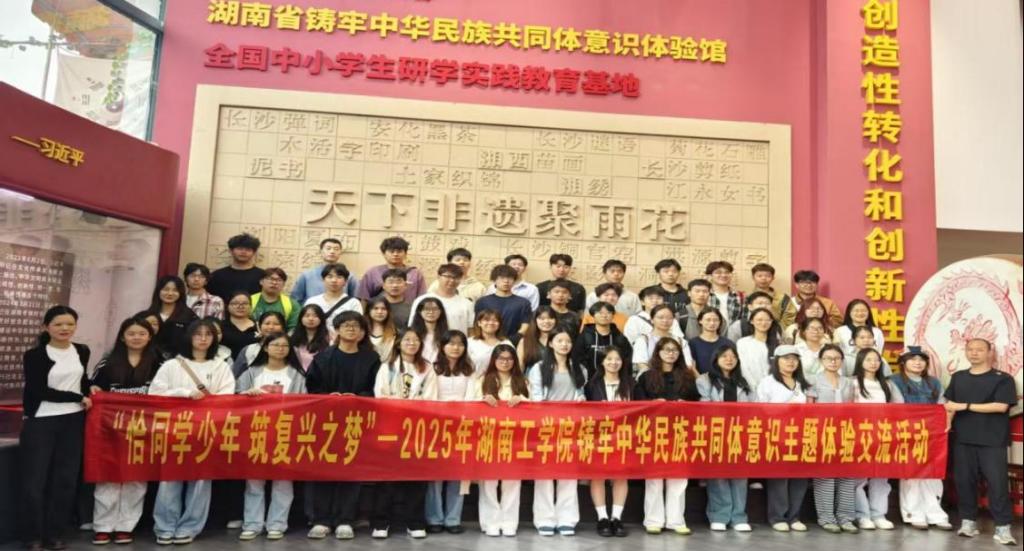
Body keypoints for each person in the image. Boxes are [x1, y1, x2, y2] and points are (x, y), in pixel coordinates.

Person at [150, 319, 235, 545]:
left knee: (200, 481)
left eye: (208, 334)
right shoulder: (172, 365)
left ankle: (190, 527)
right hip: (174, 429)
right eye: (198, 334)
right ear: (189, 337)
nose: (203, 339)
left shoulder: (221, 366)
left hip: (206, 430)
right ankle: (165, 526)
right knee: (170, 479)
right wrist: (184, 393)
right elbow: (155, 393)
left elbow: (227, 396)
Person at [305, 312, 381, 540]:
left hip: (356, 422)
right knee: (323, 469)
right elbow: (312, 388)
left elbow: (376, 389)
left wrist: (358, 398)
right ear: (336, 330)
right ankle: (321, 519)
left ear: (363, 332)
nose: (351, 329)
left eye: (356, 326)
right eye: (346, 325)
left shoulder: (371, 359)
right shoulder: (323, 358)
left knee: (351, 469)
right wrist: (328, 398)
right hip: (326, 422)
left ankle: (345, 519)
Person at [21, 306, 92, 551]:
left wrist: (90, 389)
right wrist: (77, 397)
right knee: (35, 482)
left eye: (70, 324)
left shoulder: (82, 350)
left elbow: (81, 381)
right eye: (58, 324)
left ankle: (54, 534)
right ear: (46, 327)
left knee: (65, 481)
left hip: (74, 420)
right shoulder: (34, 355)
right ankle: (33, 536)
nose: (65, 328)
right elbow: (38, 390)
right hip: (41, 420)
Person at [89, 316, 160, 545]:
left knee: (136, 479)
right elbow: (92, 386)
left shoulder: (159, 363)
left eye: (142, 333)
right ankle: (103, 526)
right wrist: (93, 388)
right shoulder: (107, 363)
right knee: (108, 477)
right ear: (122, 337)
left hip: (144, 430)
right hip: (111, 429)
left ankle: (125, 526)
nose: (136, 337)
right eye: (131, 333)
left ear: (149, 337)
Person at [943, 338, 1018, 545]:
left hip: (992, 440)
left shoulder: (1003, 379)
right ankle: (968, 522)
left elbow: (1000, 406)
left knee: (997, 483)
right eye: (970, 349)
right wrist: (947, 422)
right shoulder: (958, 377)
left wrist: (965, 406)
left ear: (989, 353)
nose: (974, 353)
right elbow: (950, 405)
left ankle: (1003, 527)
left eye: (979, 350)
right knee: (964, 481)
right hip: (963, 438)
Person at [236, 333, 307, 541]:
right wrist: (246, 395)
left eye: (285, 345)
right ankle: (252, 524)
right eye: (275, 345)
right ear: (265, 348)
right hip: (256, 432)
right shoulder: (251, 373)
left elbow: (304, 403)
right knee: (254, 482)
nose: (280, 349)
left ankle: (277, 524)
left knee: (283, 481)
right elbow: (235, 397)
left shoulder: (297, 375)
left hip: (285, 433)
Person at [371, 329, 438, 539]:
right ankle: (381, 522)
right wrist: (401, 405)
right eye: (407, 340)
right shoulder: (388, 367)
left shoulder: (427, 368)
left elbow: (431, 398)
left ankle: (415, 522)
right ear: (399, 344)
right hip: (390, 428)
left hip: (417, 429)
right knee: (387, 477)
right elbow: (380, 395)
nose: (412, 343)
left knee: (416, 477)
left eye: (416, 340)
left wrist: (412, 406)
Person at [634, 337, 699, 535]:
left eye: (674, 350)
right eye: (666, 350)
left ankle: (676, 520)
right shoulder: (647, 377)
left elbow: (697, 402)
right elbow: (638, 403)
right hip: (655, 431)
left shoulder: (687, 376)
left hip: (680, 431)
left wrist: (685, 404)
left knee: (679, 477)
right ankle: (653, 520)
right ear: (658, 352)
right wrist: (654, 404)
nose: (671, 353)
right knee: (654, 477)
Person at [526, 328, 586, 536]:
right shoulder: (538, 368)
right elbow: (535, 397)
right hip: (546, 427)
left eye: (568, 341)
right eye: (559, 340)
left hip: (571, 427)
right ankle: (544, 519)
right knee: (544, 474)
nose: (564, 345)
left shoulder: (579, 368)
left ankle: (567, 519)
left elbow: (581, 394)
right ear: (550, 343)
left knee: (568, 474)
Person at [468, 345, 529, 537]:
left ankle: (509, 522)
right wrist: (482, 401)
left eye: (509, 359)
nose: (505, 362)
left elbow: (536, 407)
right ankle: (490, 522)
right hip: (489, 438)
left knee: (512, 482)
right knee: (489, 483)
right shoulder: (481, 380)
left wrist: (523, 400)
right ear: (493, 360)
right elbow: (468, 406)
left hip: (515, 439)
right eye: (501, 358)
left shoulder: (522, 381)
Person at [889, 347, 952, 531]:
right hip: (907, 432)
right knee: (911, 474)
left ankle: (935, 513)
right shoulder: (894, 381)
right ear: (903, 362)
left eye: (921, 359)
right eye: (912, 359)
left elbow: (942, 406)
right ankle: (913, 513)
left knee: (933, 473)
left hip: (932, 433)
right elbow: (897, 407)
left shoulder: (934, 382)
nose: (917, 363)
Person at [696, 344, 753, 532]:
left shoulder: (743, 381)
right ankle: (719, 515)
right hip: (716, 432)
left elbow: (753, 406)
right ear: (716, 359)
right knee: (718, 475)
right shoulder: (704, 380)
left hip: (740, 432)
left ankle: (739, 516)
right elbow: (704, 406)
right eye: (725, 356)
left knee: (740, 475)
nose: (729, 359)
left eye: (733, 356)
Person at [756, 345, 811, 532]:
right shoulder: (767, 382)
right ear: (776, 361)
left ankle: (794, 516)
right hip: (776, 435)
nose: (791, 362)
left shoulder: (803, 383)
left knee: (799, 477)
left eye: (794, 358)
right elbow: (761, 409)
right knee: (779, 477)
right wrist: (785, 410)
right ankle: (778, 516)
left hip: (801, 435)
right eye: (786, 358)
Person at [426, 331, 476, 534]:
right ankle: (434, 518)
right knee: (435, 475)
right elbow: (429, 396)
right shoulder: (432, 368)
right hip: (437, 425)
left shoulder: (469, 369)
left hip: (462, 426)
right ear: (442, 346)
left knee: (458, 474)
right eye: (451, 343)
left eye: (460, 344)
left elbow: (472, 397)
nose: (456, 348)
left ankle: (453, 519)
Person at [807, 344, 859, 534]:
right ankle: (826, 518)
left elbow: (852, 408)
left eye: (837, 358)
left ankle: (846, 518)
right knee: (825, 475)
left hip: (845, 433)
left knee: (847, 475)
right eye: (828, 358)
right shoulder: (813, 380)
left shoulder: (848, 382)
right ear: (821, 360)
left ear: (842, 361)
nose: (833, 361)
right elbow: (809, 409)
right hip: (822, 432)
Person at [851, 348, 903, 530]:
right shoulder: (852, 382)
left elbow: (899, 407)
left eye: (876, 360)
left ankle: (879, 514)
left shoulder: (887, 384)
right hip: (860, 434)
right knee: (858, 478)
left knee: (881, 476)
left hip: (883, 434)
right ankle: (862, 515)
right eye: (868, 360)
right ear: (860, 362)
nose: (873, 363)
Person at [585, 347, 632, 537]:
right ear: (602, 362)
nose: (614, 362)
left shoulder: (631, 384)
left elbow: (644, 408)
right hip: (598, 436)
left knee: (621, 475)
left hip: (624, 436)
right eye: (609, 359)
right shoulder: (591, 385)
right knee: (598, 475)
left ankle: (616, 518)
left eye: (617, 359)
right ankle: (602, 517)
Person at [355, 236, 426, 302]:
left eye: (399, 251)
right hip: (380, 310)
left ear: (405, 254)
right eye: (391, 251)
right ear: (384, 254)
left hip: (408, 310)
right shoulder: (373, 273)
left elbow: (422, 299)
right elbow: (364, 298)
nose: (395, 254)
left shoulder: (415, 274)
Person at [290, 238, 359, 304]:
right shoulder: (307, 275)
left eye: (336, 249)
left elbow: (355, 299)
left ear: (340, 252)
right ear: (321, 251)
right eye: (328, 248)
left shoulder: (349, 276)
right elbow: (295, 299)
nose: (332, 252)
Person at [632, 305, 694, 378]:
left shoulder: (680, 341)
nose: (665, 321)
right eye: (661, 317)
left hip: (677, 379)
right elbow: (642, 364)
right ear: (652, 319)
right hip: (650, 379)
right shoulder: (643, 340)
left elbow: (688, 364)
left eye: (669, 318)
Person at [574, 302, 632, 379]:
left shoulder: (620, 337)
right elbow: (578, 359)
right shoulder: (584, 336)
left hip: (615, 379)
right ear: (593, 315)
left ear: (613, 316)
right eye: (600, 313)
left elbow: (627, 359)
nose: (604, 316)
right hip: (589, 380)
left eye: (608, 313)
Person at [410, 264, 474, 333]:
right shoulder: (422, 300)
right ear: (438, 277)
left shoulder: (467, 304)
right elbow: (413, 326)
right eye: (448, 276)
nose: (452, 280)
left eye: (456, 277)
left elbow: (470, 330)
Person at [475, 265, 532, 338]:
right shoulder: (483, 301)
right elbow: (477, 323)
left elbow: (526, 324)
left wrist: (515, 339)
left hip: (513, 341)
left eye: (510, 278)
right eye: (502, 278)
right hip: (487, 340)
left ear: (514, 281)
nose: (506, 281)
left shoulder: (524, 303)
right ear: (494, 280)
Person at [147, 275, 198, 357]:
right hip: (149, 360)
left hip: (178, 360)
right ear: (158, 291)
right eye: (166, 289)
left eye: (175, 290)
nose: (170, 293)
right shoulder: (147, 315)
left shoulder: (190, 316)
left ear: (180, 293)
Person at [207, 233, 266, 303]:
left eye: (248, 249)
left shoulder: (263, 276)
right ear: (230, 251)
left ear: (254, 253)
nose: (243, 252)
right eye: (239, 249)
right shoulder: (216, 276)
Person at [303, 263, 361, 331]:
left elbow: (357, 326)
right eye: (330, 277)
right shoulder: (312, 301)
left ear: (345, 281)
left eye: (339, 277)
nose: (334, 280)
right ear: (323, 280)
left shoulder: (353, 303)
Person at [736, 308, 783, 389]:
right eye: (759, 320)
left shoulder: (778, 345)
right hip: (751, 388)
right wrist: (755, 386)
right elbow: (744, 368)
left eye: (767, 320)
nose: (763, 323)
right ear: (752, 321)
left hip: (773, 389)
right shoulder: (743, 343)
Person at [231, 312, 287, 377]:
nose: (271, 327)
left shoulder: (289, 348)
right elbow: (235, 375)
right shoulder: (249, 349)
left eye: (276, 324)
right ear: (259, 326)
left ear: (283, 328)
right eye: (267, 323)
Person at [749, 263, 797, 329]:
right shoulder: (746, 297)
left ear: (773, 278)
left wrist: (777, 330)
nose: (763, 278)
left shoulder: (783, 298)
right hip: (750, 330)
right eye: (759, 276)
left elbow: (790, 316)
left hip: (776, 331)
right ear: (753, 277)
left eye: (768, 276)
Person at [687, 308, 731, 375]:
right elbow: (692, 367)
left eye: (715, 320)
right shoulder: (693, 344)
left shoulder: (728, 343)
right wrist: (701, 379)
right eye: (708, 320)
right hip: (699, 379)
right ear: (700, 321)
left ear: (720, 322)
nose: (712, 323)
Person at [467, 310, 512, 374]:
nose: (491, 323)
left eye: (495, 320)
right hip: (474, 378)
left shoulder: (506, 343)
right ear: (479, 323)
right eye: (487, 320)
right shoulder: (470, 342)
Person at [409, 297, 449, 364]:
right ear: (419, 311)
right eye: (426, 309)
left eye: (435, 309)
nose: (431, 312)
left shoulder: (447, 335)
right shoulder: (412, 333)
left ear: (441, 311)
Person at [290, 305, 330, 371]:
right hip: (296, 373)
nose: (311, 319)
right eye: (307, 316)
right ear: (301, 318)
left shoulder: (330, 336)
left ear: (321, 318)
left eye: (315, 316)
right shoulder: (292, 335)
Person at [705, 261, 744, 328]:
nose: (723, 275)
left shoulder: (740, 296)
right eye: (718, 272)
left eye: (727, 272)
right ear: (710, 276)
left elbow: (744, 320)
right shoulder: (705, 295)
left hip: (733, 333)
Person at [220, 291, 258, 360]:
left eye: (245, 303)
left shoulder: (259, 327)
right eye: (235, 303)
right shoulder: (220, 327)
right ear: (227, 306)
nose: (240, 306)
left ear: (251, 306)